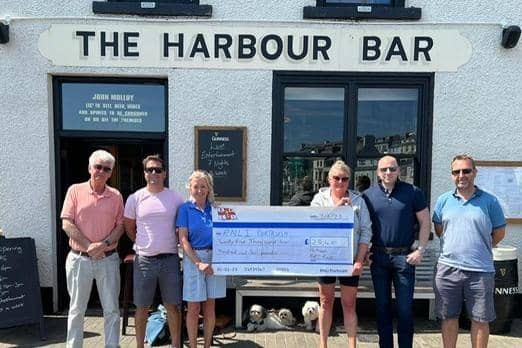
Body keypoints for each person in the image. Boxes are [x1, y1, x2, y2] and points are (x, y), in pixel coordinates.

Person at [432, 154, 506, 348]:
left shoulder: (490, 201)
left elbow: (499, 233)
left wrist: (479, 246)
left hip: (480, 271)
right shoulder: (443, 201)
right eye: (456, 172)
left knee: (481, 319)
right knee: (448, 317)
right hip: (448, 269)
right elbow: (439, 229)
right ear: (452, 175)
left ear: (475, 172)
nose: (461, 175)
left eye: (466, 171)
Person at [362, 155, 430, 348]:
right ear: (377, 172)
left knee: (405, 310)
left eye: (392, 169)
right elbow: (364, 227)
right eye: (384, 169)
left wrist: (421, 250)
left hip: (404, 258)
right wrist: (365, 251)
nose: (388, 173)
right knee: (382, 308)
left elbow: (425, 222)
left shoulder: (413, 192)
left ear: (399, 170)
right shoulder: (368, 195)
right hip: (379, 258)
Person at [61, 149, 124, 348]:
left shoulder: (116, 196)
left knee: (112, 309)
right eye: (98, 167)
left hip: (108, 258)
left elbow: (121, 226)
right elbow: (67, 223)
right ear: (90, 168)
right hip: (80, 258)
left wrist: (103, 244)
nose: (101, 171)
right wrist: (89, 246)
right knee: (77, 309)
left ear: (111, 173)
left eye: (106, 169)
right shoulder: (75, 190)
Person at [123, 155, 184, 348]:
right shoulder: (135, 198)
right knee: (141, 307)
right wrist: (142, 243)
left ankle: (176, 345)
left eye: (158, 170)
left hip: (170, 260)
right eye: (150, 170)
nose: (154, 173)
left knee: (172, 306)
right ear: (144, 173)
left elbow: (184, 224)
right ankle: (140, 345)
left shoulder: (176, 198)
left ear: (164, 173)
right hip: (144, 261)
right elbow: (129, 228)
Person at [310, 160, 372, 348]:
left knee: (349, 304)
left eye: (344, 179)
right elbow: (313, 223)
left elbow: (366, 231)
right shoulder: (319, 199)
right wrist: (338, 210)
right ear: (329, 179)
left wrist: (360, 260)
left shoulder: (358, 200)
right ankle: (323, 345)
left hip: (349, 259)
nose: (340, 182)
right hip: (325, 258)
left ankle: (352, 345)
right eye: (336, 178)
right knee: (325, 301)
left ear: (349, 180)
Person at [176, 170, 226, 348]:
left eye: (203, 186)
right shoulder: (185, 209)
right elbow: (183, 239)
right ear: (190, 188)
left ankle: (206, 345)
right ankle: (193, 345)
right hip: (193, 259)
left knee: (210, 306)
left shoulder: (216, 209)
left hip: (215, 259)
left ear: (209, 188)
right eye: (196, 186)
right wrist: (198, 262)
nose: (199, 190)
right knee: (194, 307)